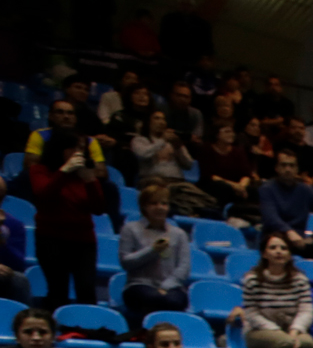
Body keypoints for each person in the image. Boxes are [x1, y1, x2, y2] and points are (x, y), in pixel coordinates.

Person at [28, 128, 107, 306]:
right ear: (60, 148)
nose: (78, 153)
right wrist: (64, 172)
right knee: (58, 291)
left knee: (86, 289)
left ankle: (87, 331)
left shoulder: (85, 174)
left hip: (83, 242)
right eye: (73, 148)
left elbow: (99, 208)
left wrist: (91, 181)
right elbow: (43, 196)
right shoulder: (39, 170)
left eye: (81, 148)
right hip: (50, 239)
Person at [234, 233, 313, 348]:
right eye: (273, 248)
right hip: (258, 330)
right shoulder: (252, 280)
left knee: (308, 344)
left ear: (290, 254)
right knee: (286, 343)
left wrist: (294, 331)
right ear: (264, 254)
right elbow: (251, 313)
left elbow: (306, 310)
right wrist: (279, 332)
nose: (279, 251)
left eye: (284, 248)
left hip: (292, 330)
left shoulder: (300, 279)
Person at [120, 185, 192, 319]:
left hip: (171, 288)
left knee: (176, 300)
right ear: (144, 207)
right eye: (154, 203)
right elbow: (126, 262)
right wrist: (152, 250)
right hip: (139, 285)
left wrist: (165, 287)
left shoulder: (179, 234)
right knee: (151, 298)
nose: (160, 207)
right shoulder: (130, 229)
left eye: (164, 203)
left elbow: (184, 266)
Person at [259, 150, 313, 256]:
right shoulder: (266, 189)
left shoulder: (306, 190)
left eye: (292, 166)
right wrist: (289, 232)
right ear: (276, 168)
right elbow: (271, 217)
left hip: (299, 243)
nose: (288, 169)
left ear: (297, 169)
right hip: (273, 240)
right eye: (284, 165)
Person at [0, 178, 31, 305]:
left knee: (19, 280)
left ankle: (20, 319)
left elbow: (17, 264)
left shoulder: (14, 225)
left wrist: (3, 241)